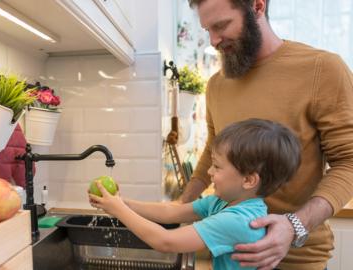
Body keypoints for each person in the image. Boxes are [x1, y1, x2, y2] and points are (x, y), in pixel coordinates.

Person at [177, 0, 353, 269]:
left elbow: (348, 162)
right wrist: (181, 206)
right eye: (206, 30)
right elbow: (212, 151)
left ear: (257, 6)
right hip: (231, 256)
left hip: (296, 260)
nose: (212, 41)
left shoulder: (322, 69)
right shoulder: (216, 85)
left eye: (221, 25)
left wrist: (294, 226)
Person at [89, 118, 302, 270]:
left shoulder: (239, 221)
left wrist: (118, 210)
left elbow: (166, 242)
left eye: (217, 167)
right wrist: (121, 202)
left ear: (248, 180)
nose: (209, 172)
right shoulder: (223, 202)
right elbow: (171, 213)